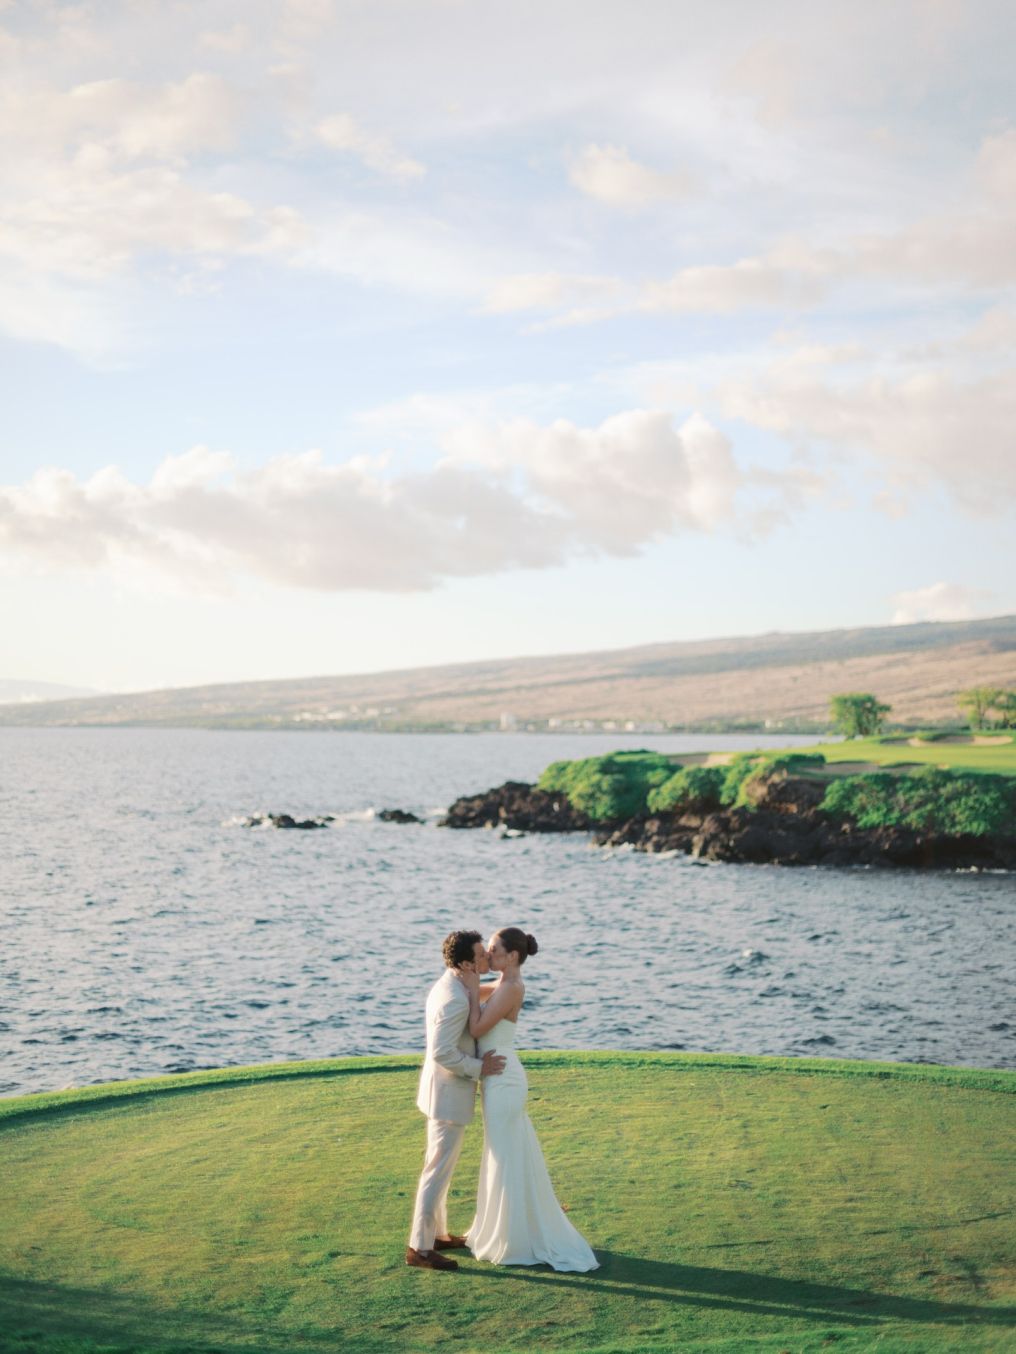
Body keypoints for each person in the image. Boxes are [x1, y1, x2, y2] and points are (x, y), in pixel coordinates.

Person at [458, 928, 599, 1272]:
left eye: (493, 951)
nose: (487, 956)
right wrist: (465, 981)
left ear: (513, 957)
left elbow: (476, 1028)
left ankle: (513, 1239)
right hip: (498, 1077)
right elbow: (472, 997)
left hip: (504, 1079)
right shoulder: (505, 986)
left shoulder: (511, 988)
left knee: (505, 1156)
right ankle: (501, 1231)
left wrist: (474, 986)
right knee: (505, 1154)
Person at [406, 929, 507, 1272]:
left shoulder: (458, 983)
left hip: (442, 1094)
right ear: (466, 962)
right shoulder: (453, 998)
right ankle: (419, 1249)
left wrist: (508, 985)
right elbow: (442, 1052)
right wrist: (481, 1068)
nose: (486, 959)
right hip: (447, 1098)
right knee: (436, 1172)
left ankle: (438, 1235)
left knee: (441, 1169)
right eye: (481, 955)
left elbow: (478, 995)